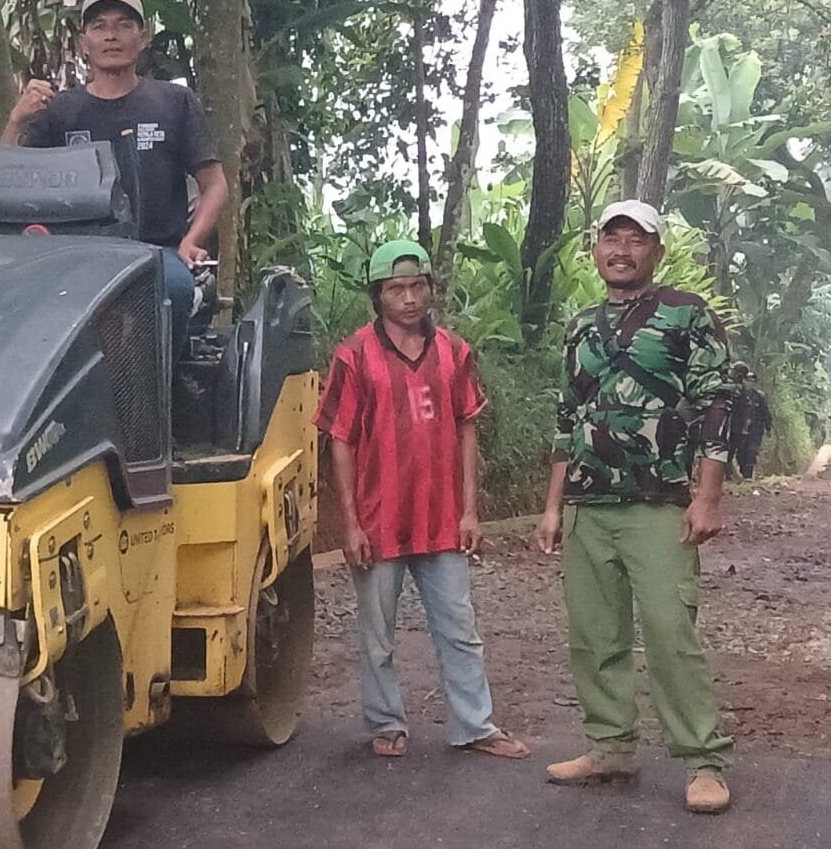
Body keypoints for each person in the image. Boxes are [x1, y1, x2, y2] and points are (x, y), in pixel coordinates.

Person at [533, 200, 735, 815]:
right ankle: (610, 747)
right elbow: (568, 420)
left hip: (660, 504)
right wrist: (551, 507)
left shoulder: (686, 315)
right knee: (595, 637)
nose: (621, 250)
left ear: (656, 251)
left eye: (636, 239)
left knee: (671, 633)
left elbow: (718, 404)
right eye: (610, 239)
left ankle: (704, 760)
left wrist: (708, 495)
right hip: (588, 506)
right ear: (596, 251)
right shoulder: (579, 326)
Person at [315, 239, 529, 762]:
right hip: (377, 519)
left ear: (431, 289)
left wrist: (470, 510)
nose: (408, 298)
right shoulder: (353, 355)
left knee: (460, 628)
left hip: (441, 519)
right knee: (377, 636)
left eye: (417, 286)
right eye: (396, 289)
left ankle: (476, 724)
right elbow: (339, 440)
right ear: (378, 296)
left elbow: (467, 429)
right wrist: (350, 524)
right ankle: (386, 722)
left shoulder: (456, 352)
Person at [1, 0, 226, 360]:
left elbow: (215, 183)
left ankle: (164, 400)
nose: (111, 35)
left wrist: (191, 240)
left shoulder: (174, 101)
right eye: (100, 26)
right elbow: (5, 180)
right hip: (74, 260)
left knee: (173, 287)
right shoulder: (60, 111)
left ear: (143, 38)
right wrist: (15, 120)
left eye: (124, 25)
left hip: (155, 255)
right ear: (83, 41)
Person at [728, 362, 771, 479]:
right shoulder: (738, 394)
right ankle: (740, 475)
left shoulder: (759, 396)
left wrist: (768, 428)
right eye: (748, 380)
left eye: (752, 381)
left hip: (755, 430)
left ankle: (747, 477)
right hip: (739, 429)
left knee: (751, 453)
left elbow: (765, 413)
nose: (750, 383)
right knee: (740, 453)